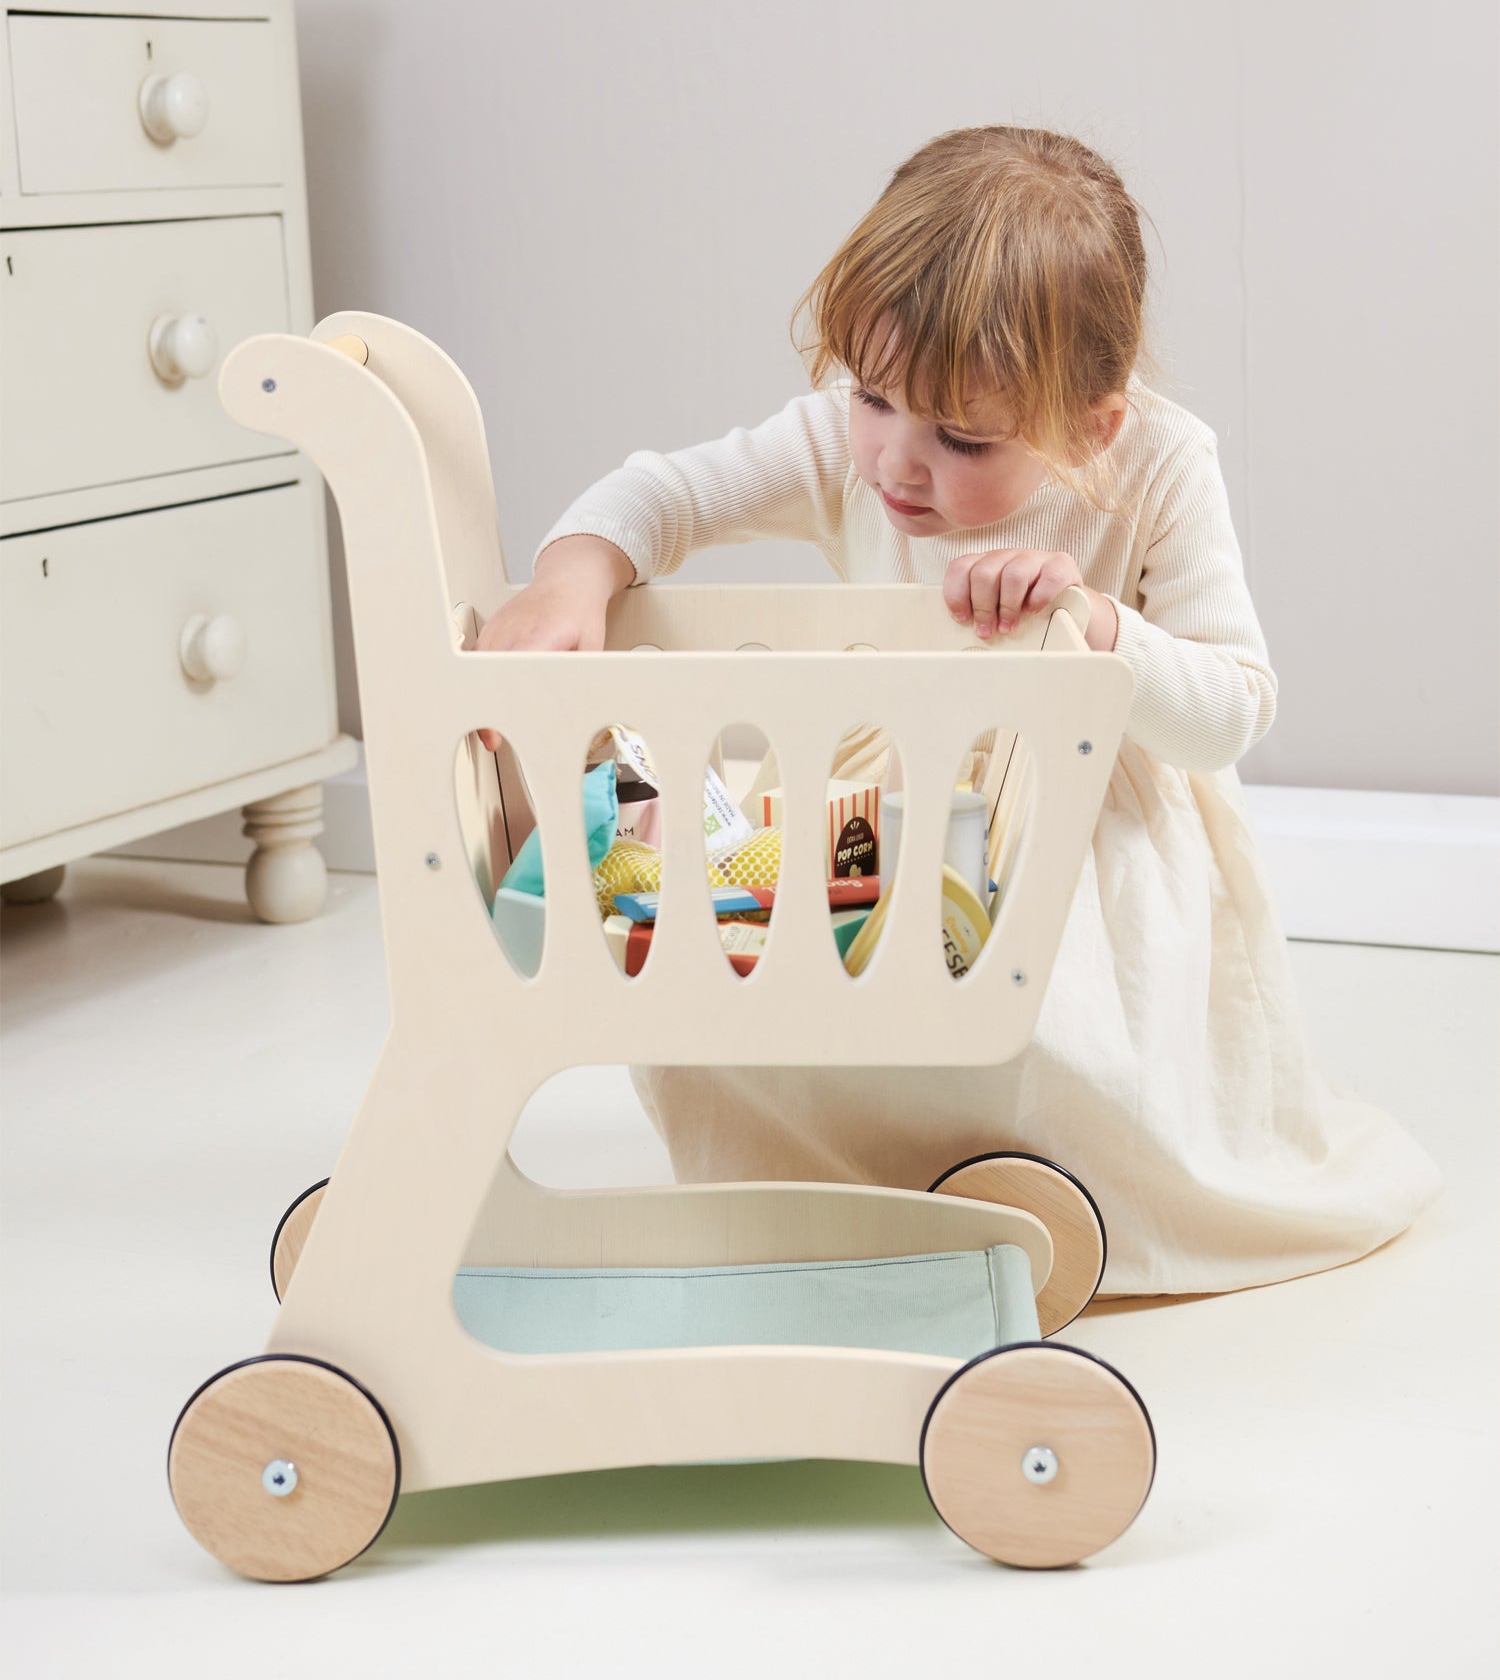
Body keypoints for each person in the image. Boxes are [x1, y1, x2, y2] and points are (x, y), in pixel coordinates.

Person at [475, 124, 1442, 1296]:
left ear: (1093, 422)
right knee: (754, 961)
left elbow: (1234, 705)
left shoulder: (1162, 468)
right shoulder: (851, 439)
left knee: (1056, 1035)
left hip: (1088, 825)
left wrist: (1095, 629)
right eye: (876, 398)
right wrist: (579, 569)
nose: (898, 461)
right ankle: (827, 1170)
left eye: (965, 438)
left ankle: (1045, 1177)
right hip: (891, 799)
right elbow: (662, 492)